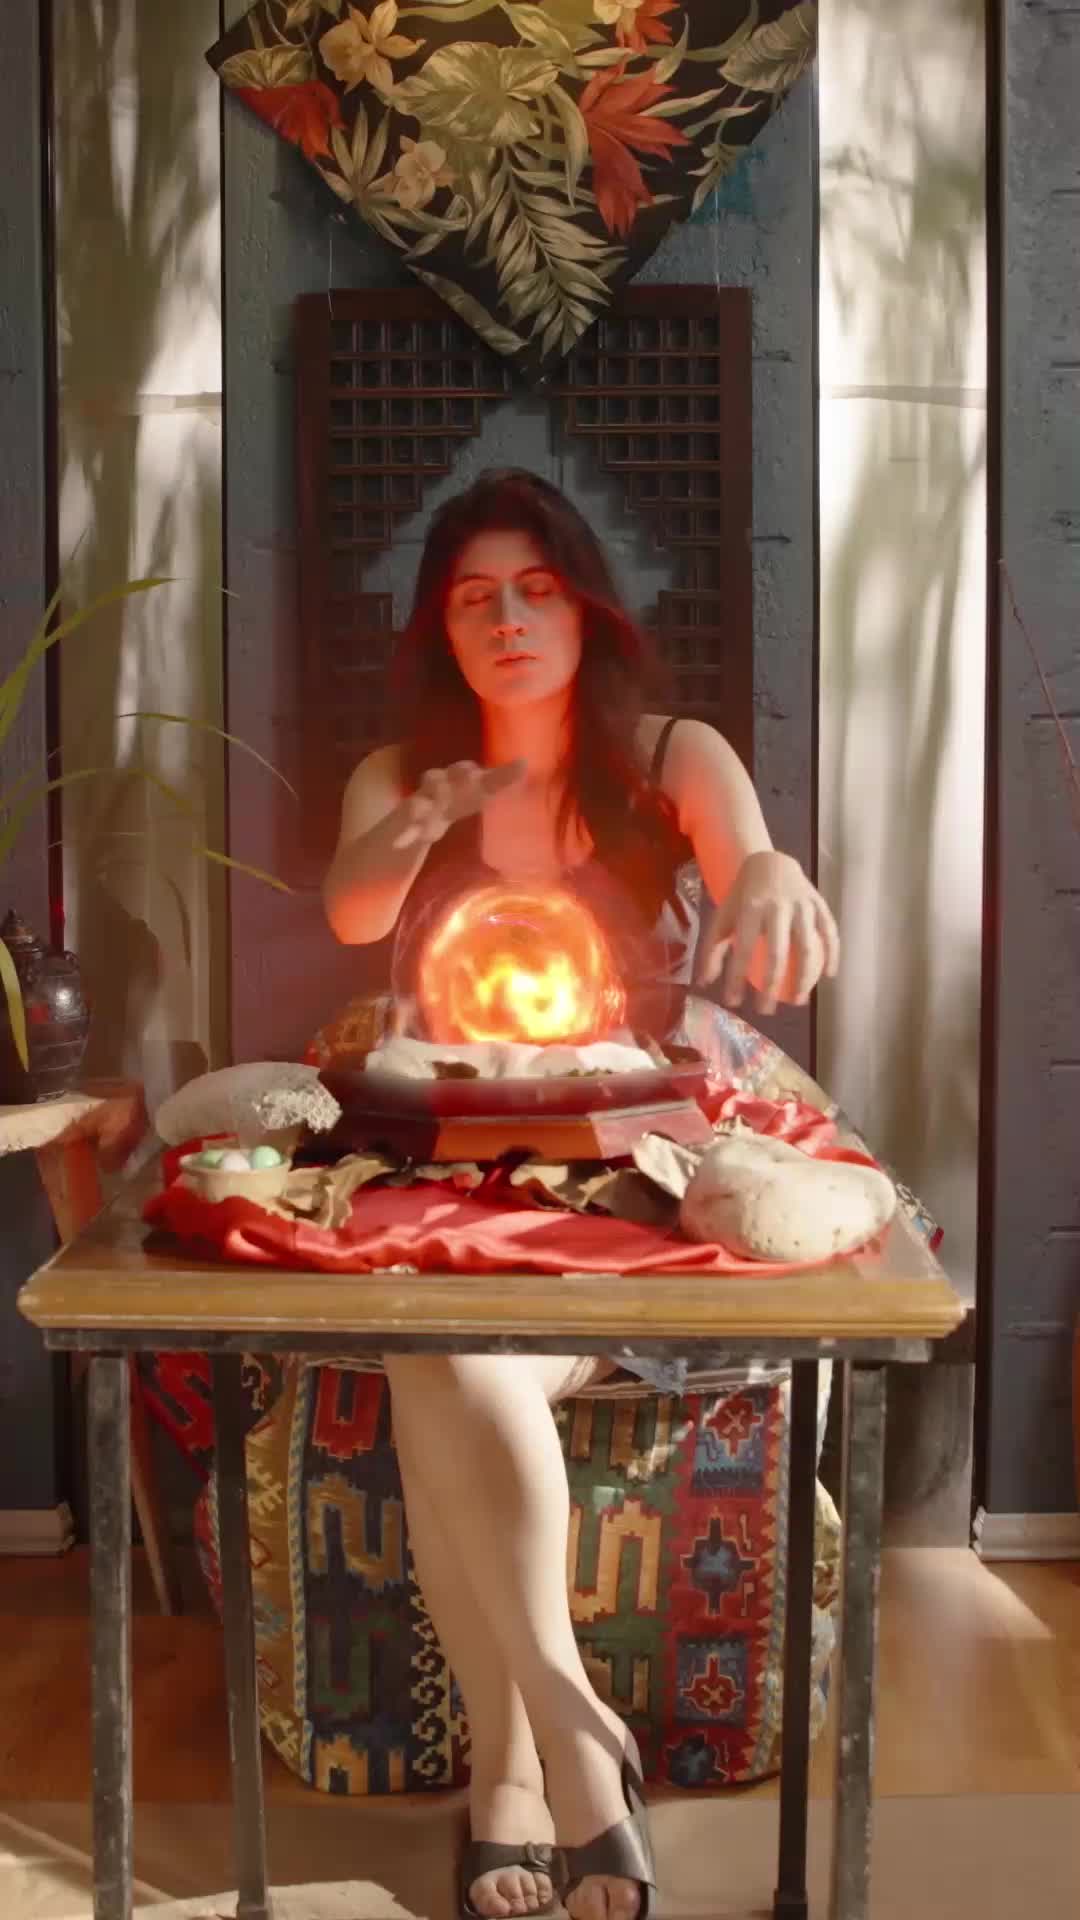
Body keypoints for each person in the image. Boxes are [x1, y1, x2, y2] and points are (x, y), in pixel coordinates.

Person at [322, 470, 838, 1920]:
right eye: (475, 598)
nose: (508, 619)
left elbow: (750, 857)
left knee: (444, 1363)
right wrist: (419, 822)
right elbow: (354, 910)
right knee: (445, 1351)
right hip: (449, 1183)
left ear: (586, 607)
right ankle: (565, 1745)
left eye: (536, 589)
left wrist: (770, 873)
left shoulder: (671, 754)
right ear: (442, 628)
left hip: (629, 1195)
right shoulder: (399, 771)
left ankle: (518, 1774)